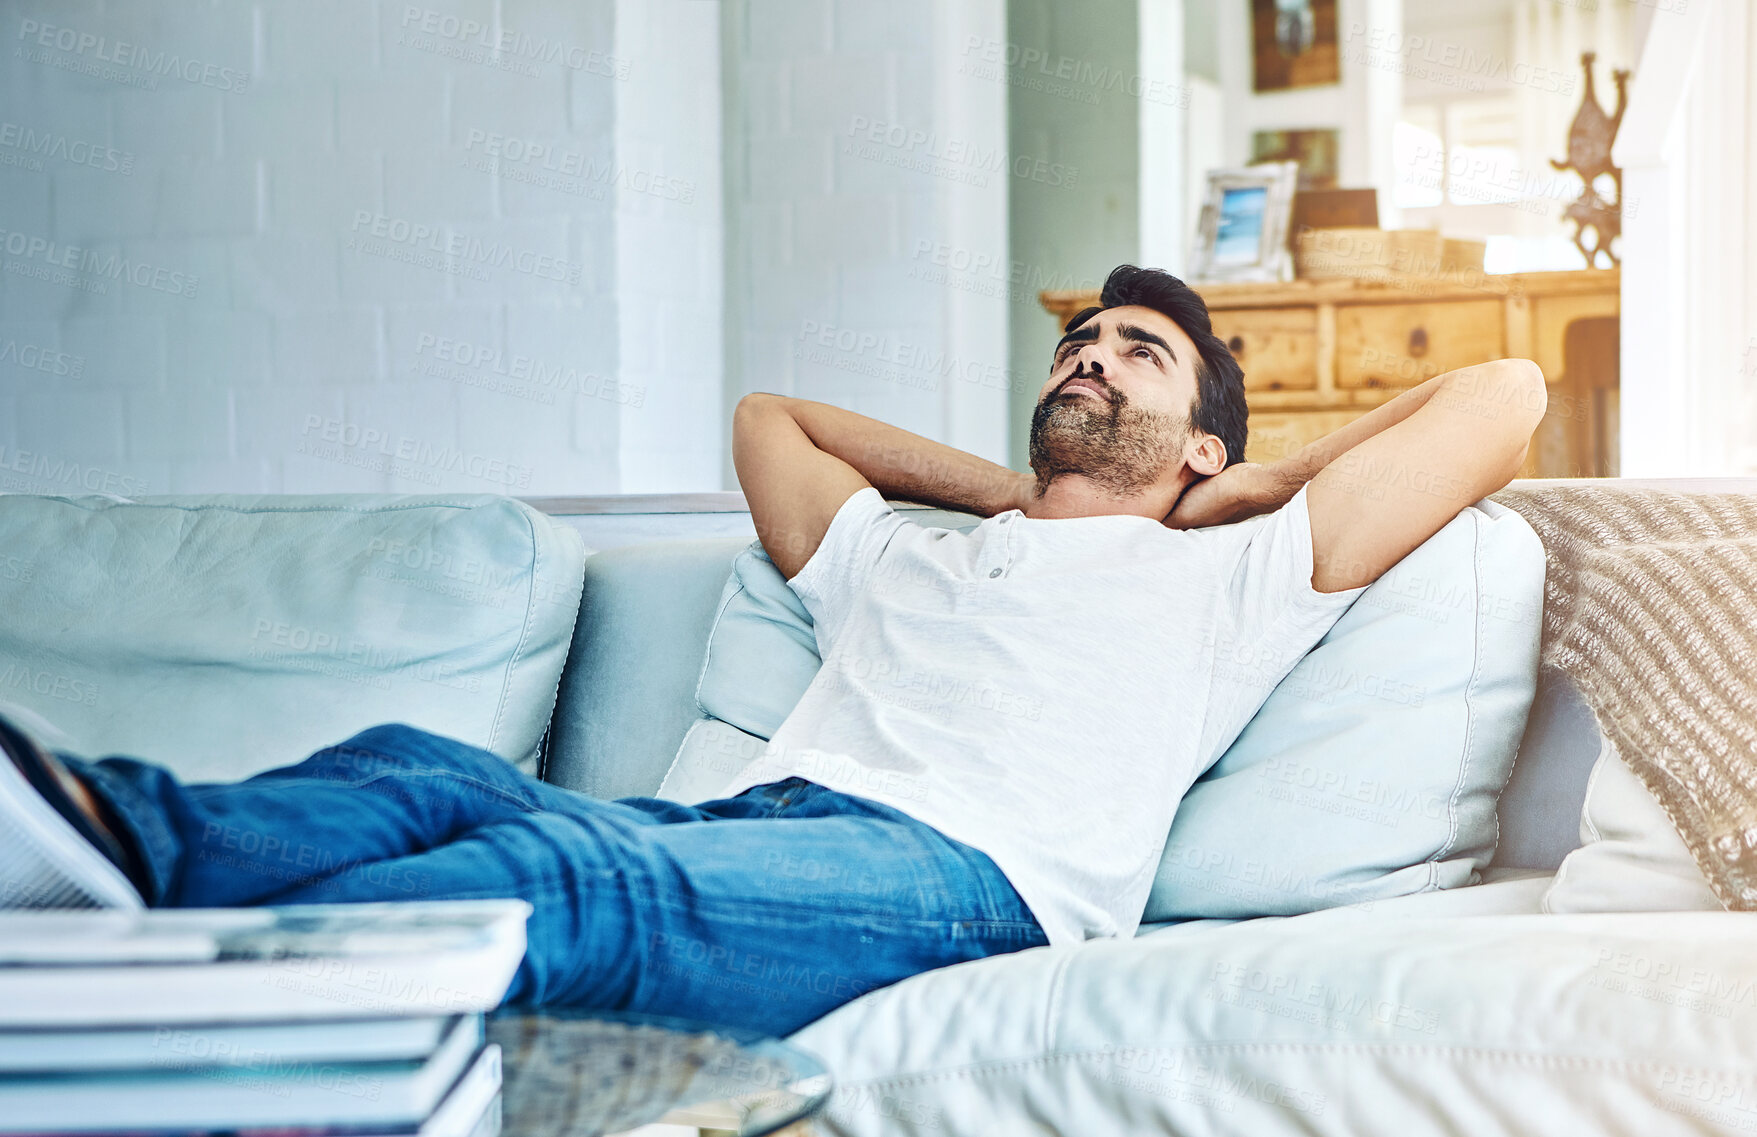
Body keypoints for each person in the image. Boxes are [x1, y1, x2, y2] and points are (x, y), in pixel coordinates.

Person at [0, 264, 1547, 1037]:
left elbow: (1502, 392)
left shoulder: (1239, 569)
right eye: (1078, 342)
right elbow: (770, 421)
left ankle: (131, 1006)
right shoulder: (909, 556)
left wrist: (1256, 482)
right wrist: (1017, 489)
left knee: (571, 891)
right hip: (760, 833)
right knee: (424, 769)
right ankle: (98, 843)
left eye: (1135, 354)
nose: (1088, 355)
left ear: (1203, 440)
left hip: (965, 876)